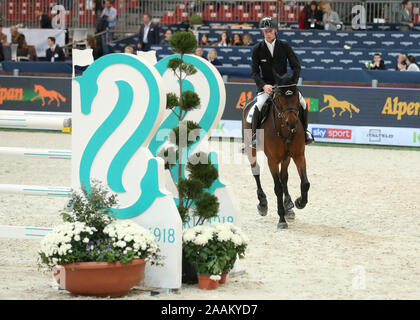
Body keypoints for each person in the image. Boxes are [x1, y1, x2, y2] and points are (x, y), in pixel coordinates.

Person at [250, 16, 313, 148]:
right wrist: (263, 85)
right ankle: (256, 137)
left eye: (270, 31)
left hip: (285, 85)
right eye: (265, 31)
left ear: (275, 30)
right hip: (267, 86)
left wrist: (292, 82)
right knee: (259, 105)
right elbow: (254, 72)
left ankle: (306, 133)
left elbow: (296, 66)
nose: (267, 34)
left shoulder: (284, 46)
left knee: (303, 103)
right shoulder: (257, 49)